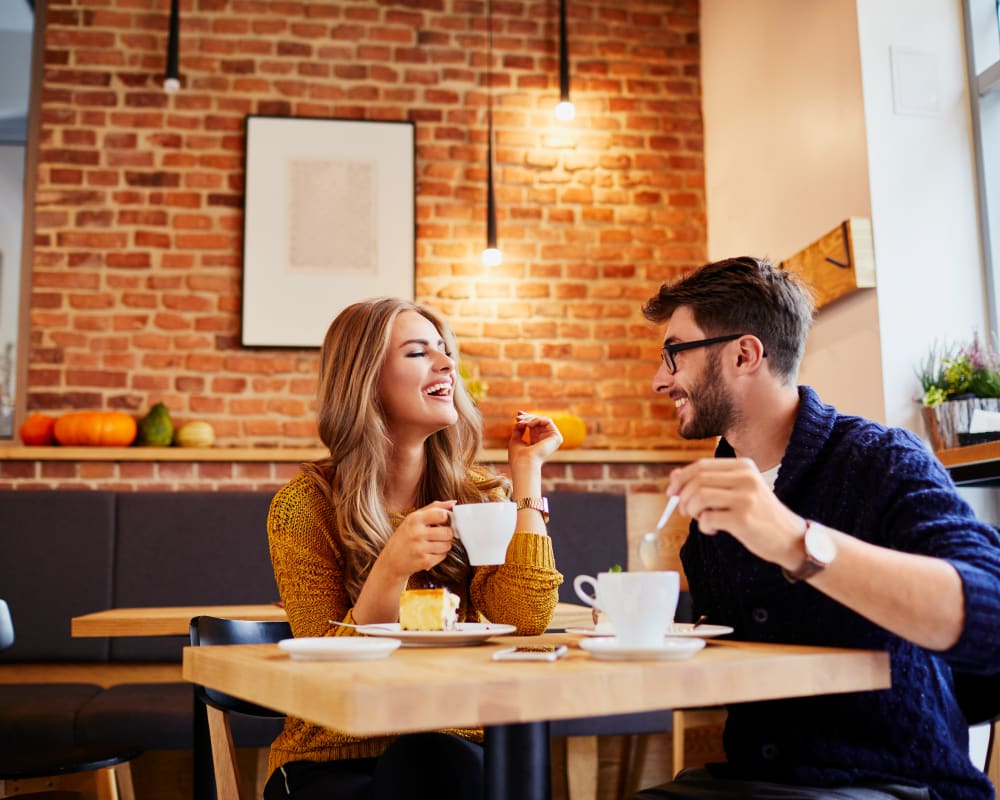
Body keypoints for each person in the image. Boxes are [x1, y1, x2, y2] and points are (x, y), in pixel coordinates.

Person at [632, 257, 1000, 800]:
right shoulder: (714, 502)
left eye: (674, 354)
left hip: (896, 782)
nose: (660, 379)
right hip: (760, 781)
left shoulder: (881, 460)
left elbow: (991, 615)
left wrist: (795, 540)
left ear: (744, 353)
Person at [264, 297, 563, 800]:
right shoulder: (304, 506)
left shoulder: (480, 495)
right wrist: (392, 569)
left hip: (456, 744)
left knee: (444, 757)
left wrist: (527, 474)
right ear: (365, 379)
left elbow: (525, 617)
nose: (447, 364)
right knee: (435, 761)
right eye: (418, 353)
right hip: (336, 759)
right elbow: (327, 680)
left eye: (445, 352)